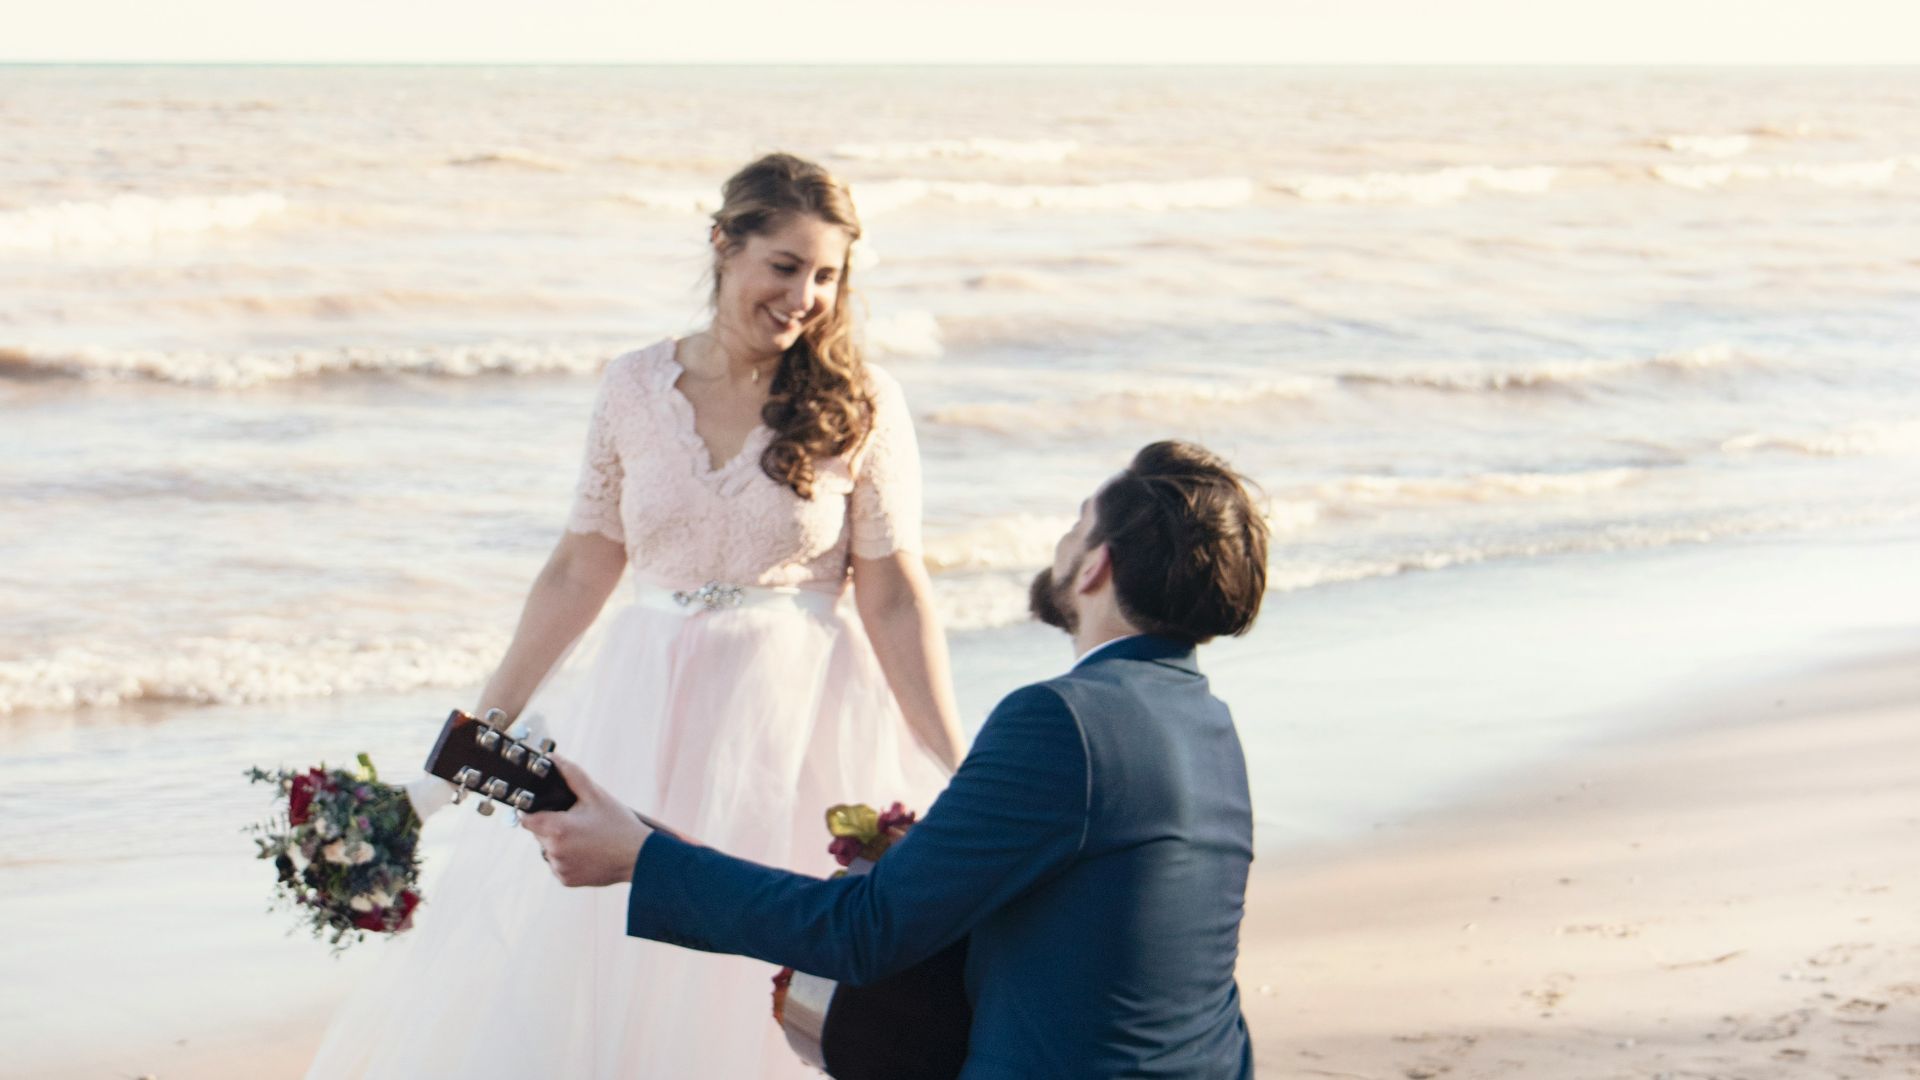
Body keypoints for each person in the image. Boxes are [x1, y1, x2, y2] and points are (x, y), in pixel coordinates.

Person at [306, 152, 964, 1079]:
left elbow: (893, 596)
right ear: (723, 245)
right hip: (641, 707)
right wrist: (476, 735)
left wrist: (957, 767)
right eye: (784, 267)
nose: (805, 298)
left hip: (797, 719)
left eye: (827, 275)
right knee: (609, 961)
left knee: (770, 960)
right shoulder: (631, 387)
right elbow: (580, 567)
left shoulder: (863, 401)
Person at [529, 440, 1270, 1079]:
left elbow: (865, 933)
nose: (1064, 541)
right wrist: (664, 849)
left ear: (1095, 567)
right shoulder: (1207, 722)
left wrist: (641, 861)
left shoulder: (1062, 719)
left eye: (1077, 525)